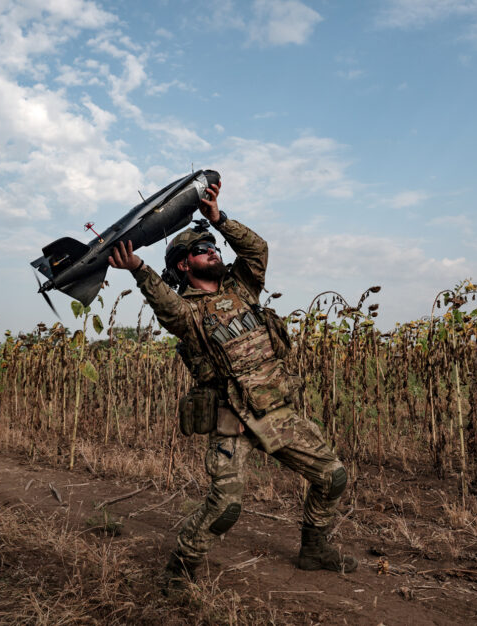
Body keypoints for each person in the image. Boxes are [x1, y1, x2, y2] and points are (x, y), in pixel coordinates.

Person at [107, 180, 357, 590]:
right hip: (231, 418)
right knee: (225, 506)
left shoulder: (242, 287)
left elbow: (258, 250)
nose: (213, 251)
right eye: (201, 250)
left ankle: (314, 549)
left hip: (276, 412)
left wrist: (219, 220)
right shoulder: (187, 311)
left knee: (332, 477)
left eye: (214, 247)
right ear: (183, 265)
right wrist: (138, 268)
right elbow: (167, 309)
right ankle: (179, 569)